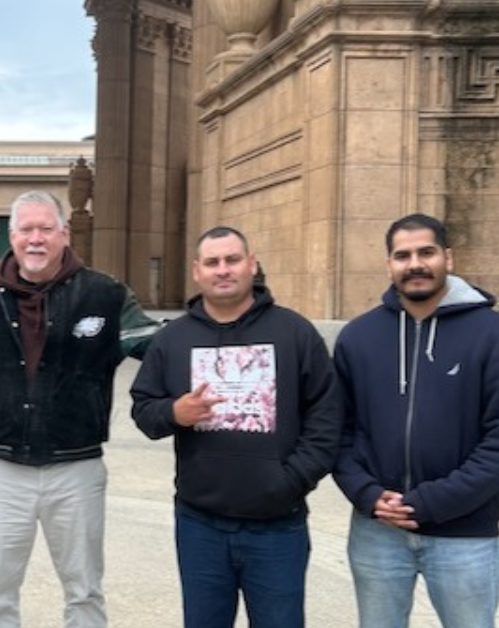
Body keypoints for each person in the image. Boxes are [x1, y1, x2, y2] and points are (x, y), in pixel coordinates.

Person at [0, 190, 160, 628]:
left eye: (46, 228)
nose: (36, 239)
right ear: (11, 236)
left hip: (77, 470)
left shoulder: (106, 295)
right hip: (3, 471)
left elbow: (160, 346)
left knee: (84, 592)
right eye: (26, 229)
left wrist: (222, 331)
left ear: (64, 234)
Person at [130, 225, 341, 628]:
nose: (222, 270)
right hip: (200, 524)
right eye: (212, 262)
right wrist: (174, 413)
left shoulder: (294, 333)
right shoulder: (172, 339)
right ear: (197, 271)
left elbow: (327, 417)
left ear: (251, 264)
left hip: (278, 525)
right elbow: (143, 410)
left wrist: (292, 479)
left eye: (232, 260)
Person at [332, 213, 499, 628]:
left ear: (448, 258)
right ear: (389, 264)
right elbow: (338, 431)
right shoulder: (358, 338)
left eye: (426, 252)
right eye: (402, 255)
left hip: (464, 535)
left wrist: (428, 503)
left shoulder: (495, 336)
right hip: (377, 531)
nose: (415, 264)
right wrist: (366, 494)